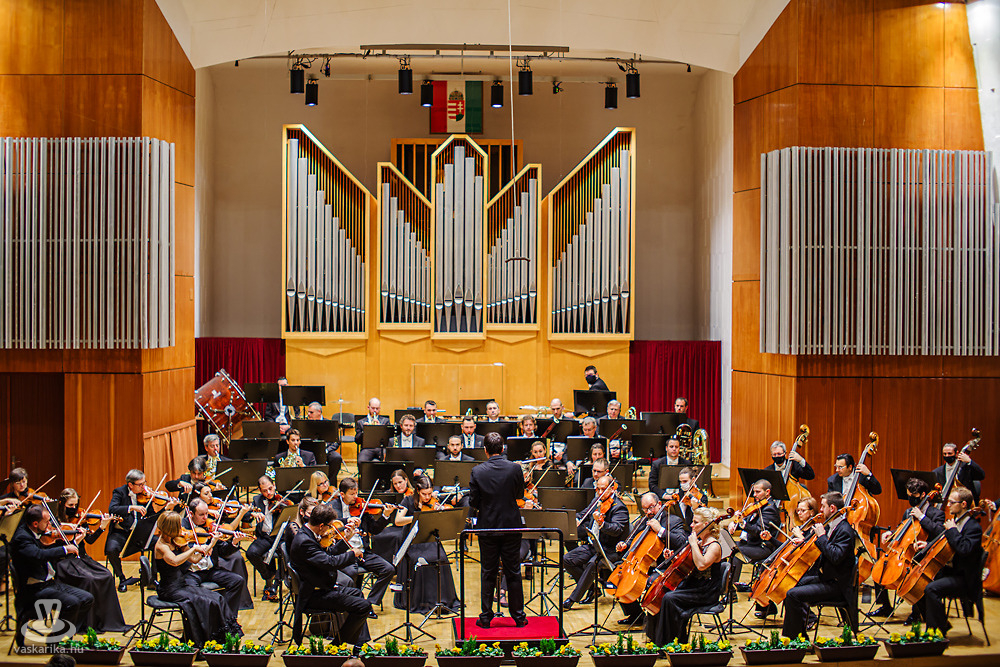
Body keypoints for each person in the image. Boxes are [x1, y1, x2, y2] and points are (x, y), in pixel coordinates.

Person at [288, 504, 373, 649]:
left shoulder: (309, 535)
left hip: (321, 587)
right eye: (329, 526)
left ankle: (359, 643)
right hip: (313, 595)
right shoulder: (305, 542)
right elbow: (330, 563)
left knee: (357, 593)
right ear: (321, 526)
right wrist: (352, 554)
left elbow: (330, 553)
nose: (331, 529)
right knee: (364, 606)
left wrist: (346, 539)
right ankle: (338, 644)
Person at [10, 504, 95, 649]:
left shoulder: (36, 533)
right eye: (47, 521)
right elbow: (39, 555)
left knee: (87, 598)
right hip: (33, 590)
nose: (50, 524)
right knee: (72, 603)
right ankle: (56, 642)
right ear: (35, 524)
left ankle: (60, 636)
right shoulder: (22, 538)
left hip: (49, 584)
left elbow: (49, 552)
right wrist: (64, 549)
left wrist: (74, 543)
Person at [153, 511, 241, 646]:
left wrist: (212, 544)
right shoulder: (161, 546)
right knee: (205, 602)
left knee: (217, 598)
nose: (182, 528)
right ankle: (204, 640)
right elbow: (175, 561)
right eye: (178, 526)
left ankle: (223, 638)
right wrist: (193, 549)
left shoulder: (177, 540)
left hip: (182, 585)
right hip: (169, 589)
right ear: (171, 528)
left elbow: (194, 560)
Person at [469, 431, 528, 628]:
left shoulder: (477, 471)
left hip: (488, 527)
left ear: (485, 450)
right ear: (502, 449)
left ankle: (486, 617)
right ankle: (518, 616)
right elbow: (519, 495)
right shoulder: (515, 468)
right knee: (513, 571)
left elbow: (474, 502)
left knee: (488, 571)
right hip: (511, 526)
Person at [781, 492, 857, 639]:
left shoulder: (845, 530)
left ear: (832, 508)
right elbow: (824, 550)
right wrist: (805, 542)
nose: (821, 509)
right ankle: (798, 635)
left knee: (793, 594)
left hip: (837, 585)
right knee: (789, 585)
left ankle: (798, 640)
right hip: (826, 578)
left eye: (823, 506)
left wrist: (821, 537)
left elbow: (835, 557)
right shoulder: (832, 526)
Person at [645, 506, 724, 644]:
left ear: (706, 525)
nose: (691, 525)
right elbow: (689, 564)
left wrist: (693, 544)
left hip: (706, 591)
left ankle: (673, 642)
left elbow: (701, 565)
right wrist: (674, 558)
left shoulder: (714, 546)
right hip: (693, 585)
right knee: (663, 594)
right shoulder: (699, 541)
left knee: (670, 598)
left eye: (695, 522)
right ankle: (656, 639)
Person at [911, 487, 984, 634]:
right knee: (917, 585)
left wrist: (952, 531)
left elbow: (964, 549)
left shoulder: (973, 527)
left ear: (963, 504)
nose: (948, 505)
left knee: (931, 589)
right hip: (950, 572)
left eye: (952, 502)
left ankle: (934, 632)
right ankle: (942, 624)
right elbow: (946, 543)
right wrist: (927, 545)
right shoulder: (956, 521)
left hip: (964, 578)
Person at [54, 489, 128, 633]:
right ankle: (88, 622)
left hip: (82, 558)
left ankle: (105, 620)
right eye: (70, 505)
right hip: (64, 562)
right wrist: (75, 541)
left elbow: (90, 540)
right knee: (90, 580)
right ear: (62, 504)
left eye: (76, 505)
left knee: (107, 575)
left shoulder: (81, 518)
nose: (74, 508)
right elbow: (56, 548)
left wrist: (102, 527)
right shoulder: (55, 521)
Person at [871, 477, 946, 618]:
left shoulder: (936, 514)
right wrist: (892, 533)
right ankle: (886, 606)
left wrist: (922, 517)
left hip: (924, 556)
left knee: (912, 575)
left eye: (914, 495)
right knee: (880, 568)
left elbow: (940, 533)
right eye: (908, 495)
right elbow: (903, 529)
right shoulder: (908, 512)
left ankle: (916, 612)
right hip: (907, 553)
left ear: (923, 495)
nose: (911, 498)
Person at [615, 492, 689, 626]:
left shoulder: (673, 520)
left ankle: (656, 621)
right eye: (645, 509)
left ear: (659, 504)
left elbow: (681, 541)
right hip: (642, 564)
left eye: (651, 507)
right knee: (618, 578)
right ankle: (636, 615)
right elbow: (633, 539)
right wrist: (624, 545)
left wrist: (660, 530)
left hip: (664, 565)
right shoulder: (643, 521)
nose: (648, 512)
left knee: (651, 582)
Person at [391, 476, 462, 613]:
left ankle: (441, 599)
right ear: (418, 491)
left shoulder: (433, 501)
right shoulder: (408, 500)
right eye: (424, 494)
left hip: (429, 539)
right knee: (422, 560)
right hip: (413, 541)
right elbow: (398, 520)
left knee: (441, 557)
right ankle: (422, 601)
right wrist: (417, 517)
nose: (427, 497)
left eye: (429, 493)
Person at [106, 469, 180, 592]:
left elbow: (153, 517)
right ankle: (122, 579)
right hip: (121, 532)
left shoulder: (146, 496)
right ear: (130, 485)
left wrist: (167, 508)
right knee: (111, 549)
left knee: (158, 544)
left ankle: (152, 579)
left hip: (139, 533)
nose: (144, 487)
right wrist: (131, 507)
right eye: (140, 484)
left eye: (144, 483)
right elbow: (112, 509)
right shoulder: (119, 492)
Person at [330, 477, 397, 610]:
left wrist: (385, 515)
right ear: (342, 494)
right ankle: (353, 606)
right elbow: (331, 525)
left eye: (357, 493)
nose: (356, 497)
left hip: (363, 552)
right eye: (352, 494)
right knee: (351, 573)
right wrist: (347, 520)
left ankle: (368, 604)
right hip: (344, 553)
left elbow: (375, 529)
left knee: (389, 569)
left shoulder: (362, 507)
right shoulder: (332, 507)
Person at [562, 474, 629, 609]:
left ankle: (572, 599)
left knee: (592, 564)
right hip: (595, 545)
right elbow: (585, 513)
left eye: (603, 489)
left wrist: (602, 524)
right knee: (567, 559)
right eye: (598, 489)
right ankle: (592, 588)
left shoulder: (619, 508)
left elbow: (617, 529)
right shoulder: (597, 500)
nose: (599, 492)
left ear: (612, 489)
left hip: (610, 549)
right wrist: (575, 519)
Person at [183, 498, 252, 611]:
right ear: (191, 514)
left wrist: (234, 543)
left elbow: (223, 551)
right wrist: (202, 547)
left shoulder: (210, 526)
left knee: (237, 581)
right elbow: (184, 551)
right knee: (195, 594)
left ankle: (228, 618)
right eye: (201, 515)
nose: (205, 517)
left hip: (210, 570)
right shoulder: (183, 528)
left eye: (207, 513)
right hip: (191, 572)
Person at [728, 479, 781, 617]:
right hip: (750, 544)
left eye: (758, 492)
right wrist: (735, 524)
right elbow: (747, 525)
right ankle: (725, 587)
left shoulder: (770, 509)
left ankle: (730, 591)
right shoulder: (756, 506)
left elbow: (759, 532)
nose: (755, 495)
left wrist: (743, 524)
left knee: (735, 553)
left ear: (767, 492)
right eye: (754, 492)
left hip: (763, 548)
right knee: (727, 547)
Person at [246, 475, 284, 601]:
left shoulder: (282, 499)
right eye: (264, 491)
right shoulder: (257, 500)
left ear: (274, 486)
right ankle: (268, 576)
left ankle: (275, 585)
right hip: (265, 537)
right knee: (251, 553)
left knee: (287, 554)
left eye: (270, 489)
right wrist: (252, 513)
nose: (269, 493)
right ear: (260, 490)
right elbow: (245, 515)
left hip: (280, 537)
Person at [306, 401, 343, 478]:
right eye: (308, 412)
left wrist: (327, 450)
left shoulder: (329, 423)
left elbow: (336, 442)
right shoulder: (305, 424)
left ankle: (330, 481)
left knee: (336, 457)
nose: (308, 414)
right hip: (311, 451)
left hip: (327, 450)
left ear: (319, 412)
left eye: (311, 412)